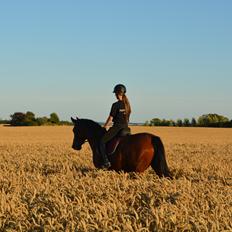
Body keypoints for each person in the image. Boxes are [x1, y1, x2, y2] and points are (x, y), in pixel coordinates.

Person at [99, 84, 131, 168]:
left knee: (101, 141)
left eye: (115, 93)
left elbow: (110, 118)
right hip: (126, 128)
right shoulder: (127, 105)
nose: (115, 95)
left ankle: (106, 162)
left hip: (117, 128)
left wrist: (105, 127)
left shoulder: (115, 105)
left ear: (117, 93)